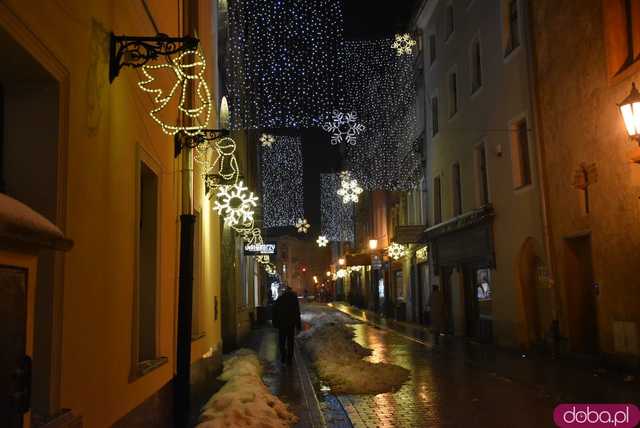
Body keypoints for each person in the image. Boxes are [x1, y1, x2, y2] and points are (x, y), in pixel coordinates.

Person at [272, 286, 302, 364]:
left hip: (281, 324)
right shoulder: (294, 300)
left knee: (282, 341)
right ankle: (289, 358)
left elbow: (275, 311)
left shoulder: (280, 299)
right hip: (290, 324)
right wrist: (298, 324)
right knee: (290, 341)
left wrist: (275, 323)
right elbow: (297, 312)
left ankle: (283, 355)